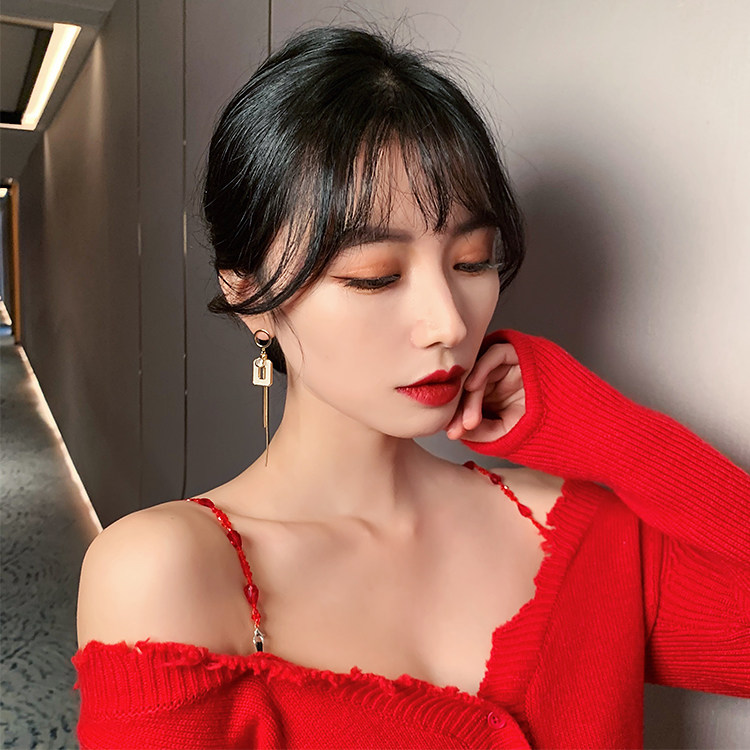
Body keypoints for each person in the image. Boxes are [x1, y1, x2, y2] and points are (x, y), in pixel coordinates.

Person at [72, 25, 749, 750]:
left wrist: (593, 425)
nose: (448, 322)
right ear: (249, 296)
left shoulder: (574, 528)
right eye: (376, 276)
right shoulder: (166, 572)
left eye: (472, 262)